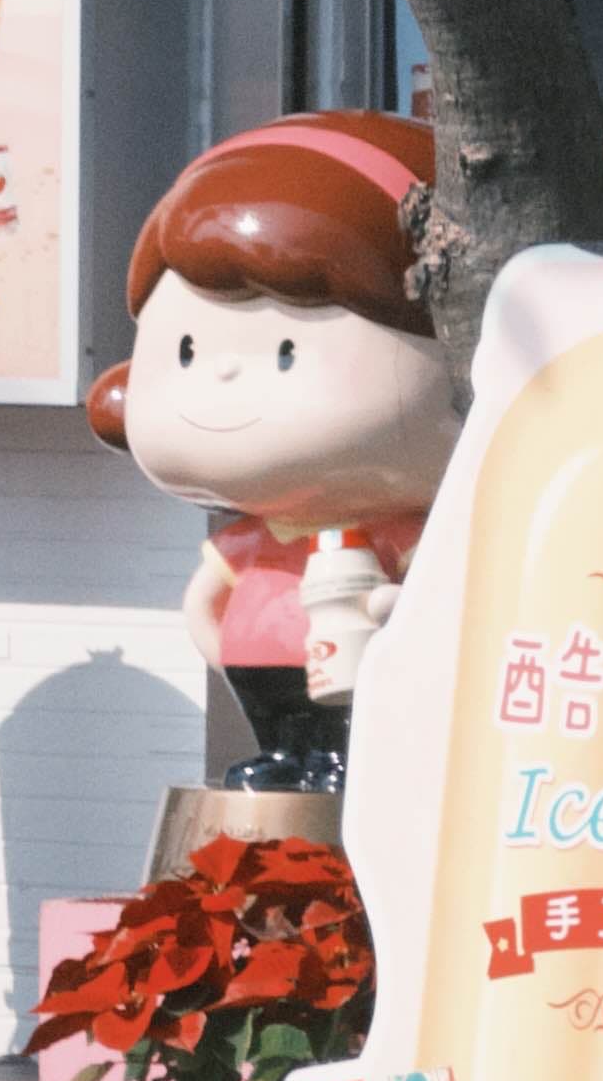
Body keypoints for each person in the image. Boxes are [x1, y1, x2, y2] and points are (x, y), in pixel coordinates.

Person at [85, 112, 456, 770]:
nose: (223, 374)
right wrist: (217, 641)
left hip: (377, 683)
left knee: (368, 757)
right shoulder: (252, 540)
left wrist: (400, 613)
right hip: (259, 670)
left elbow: (440, 594)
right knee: (279, 759)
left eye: (287, 351)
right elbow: (208, 592)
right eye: (189, 350)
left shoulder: (412, 534)